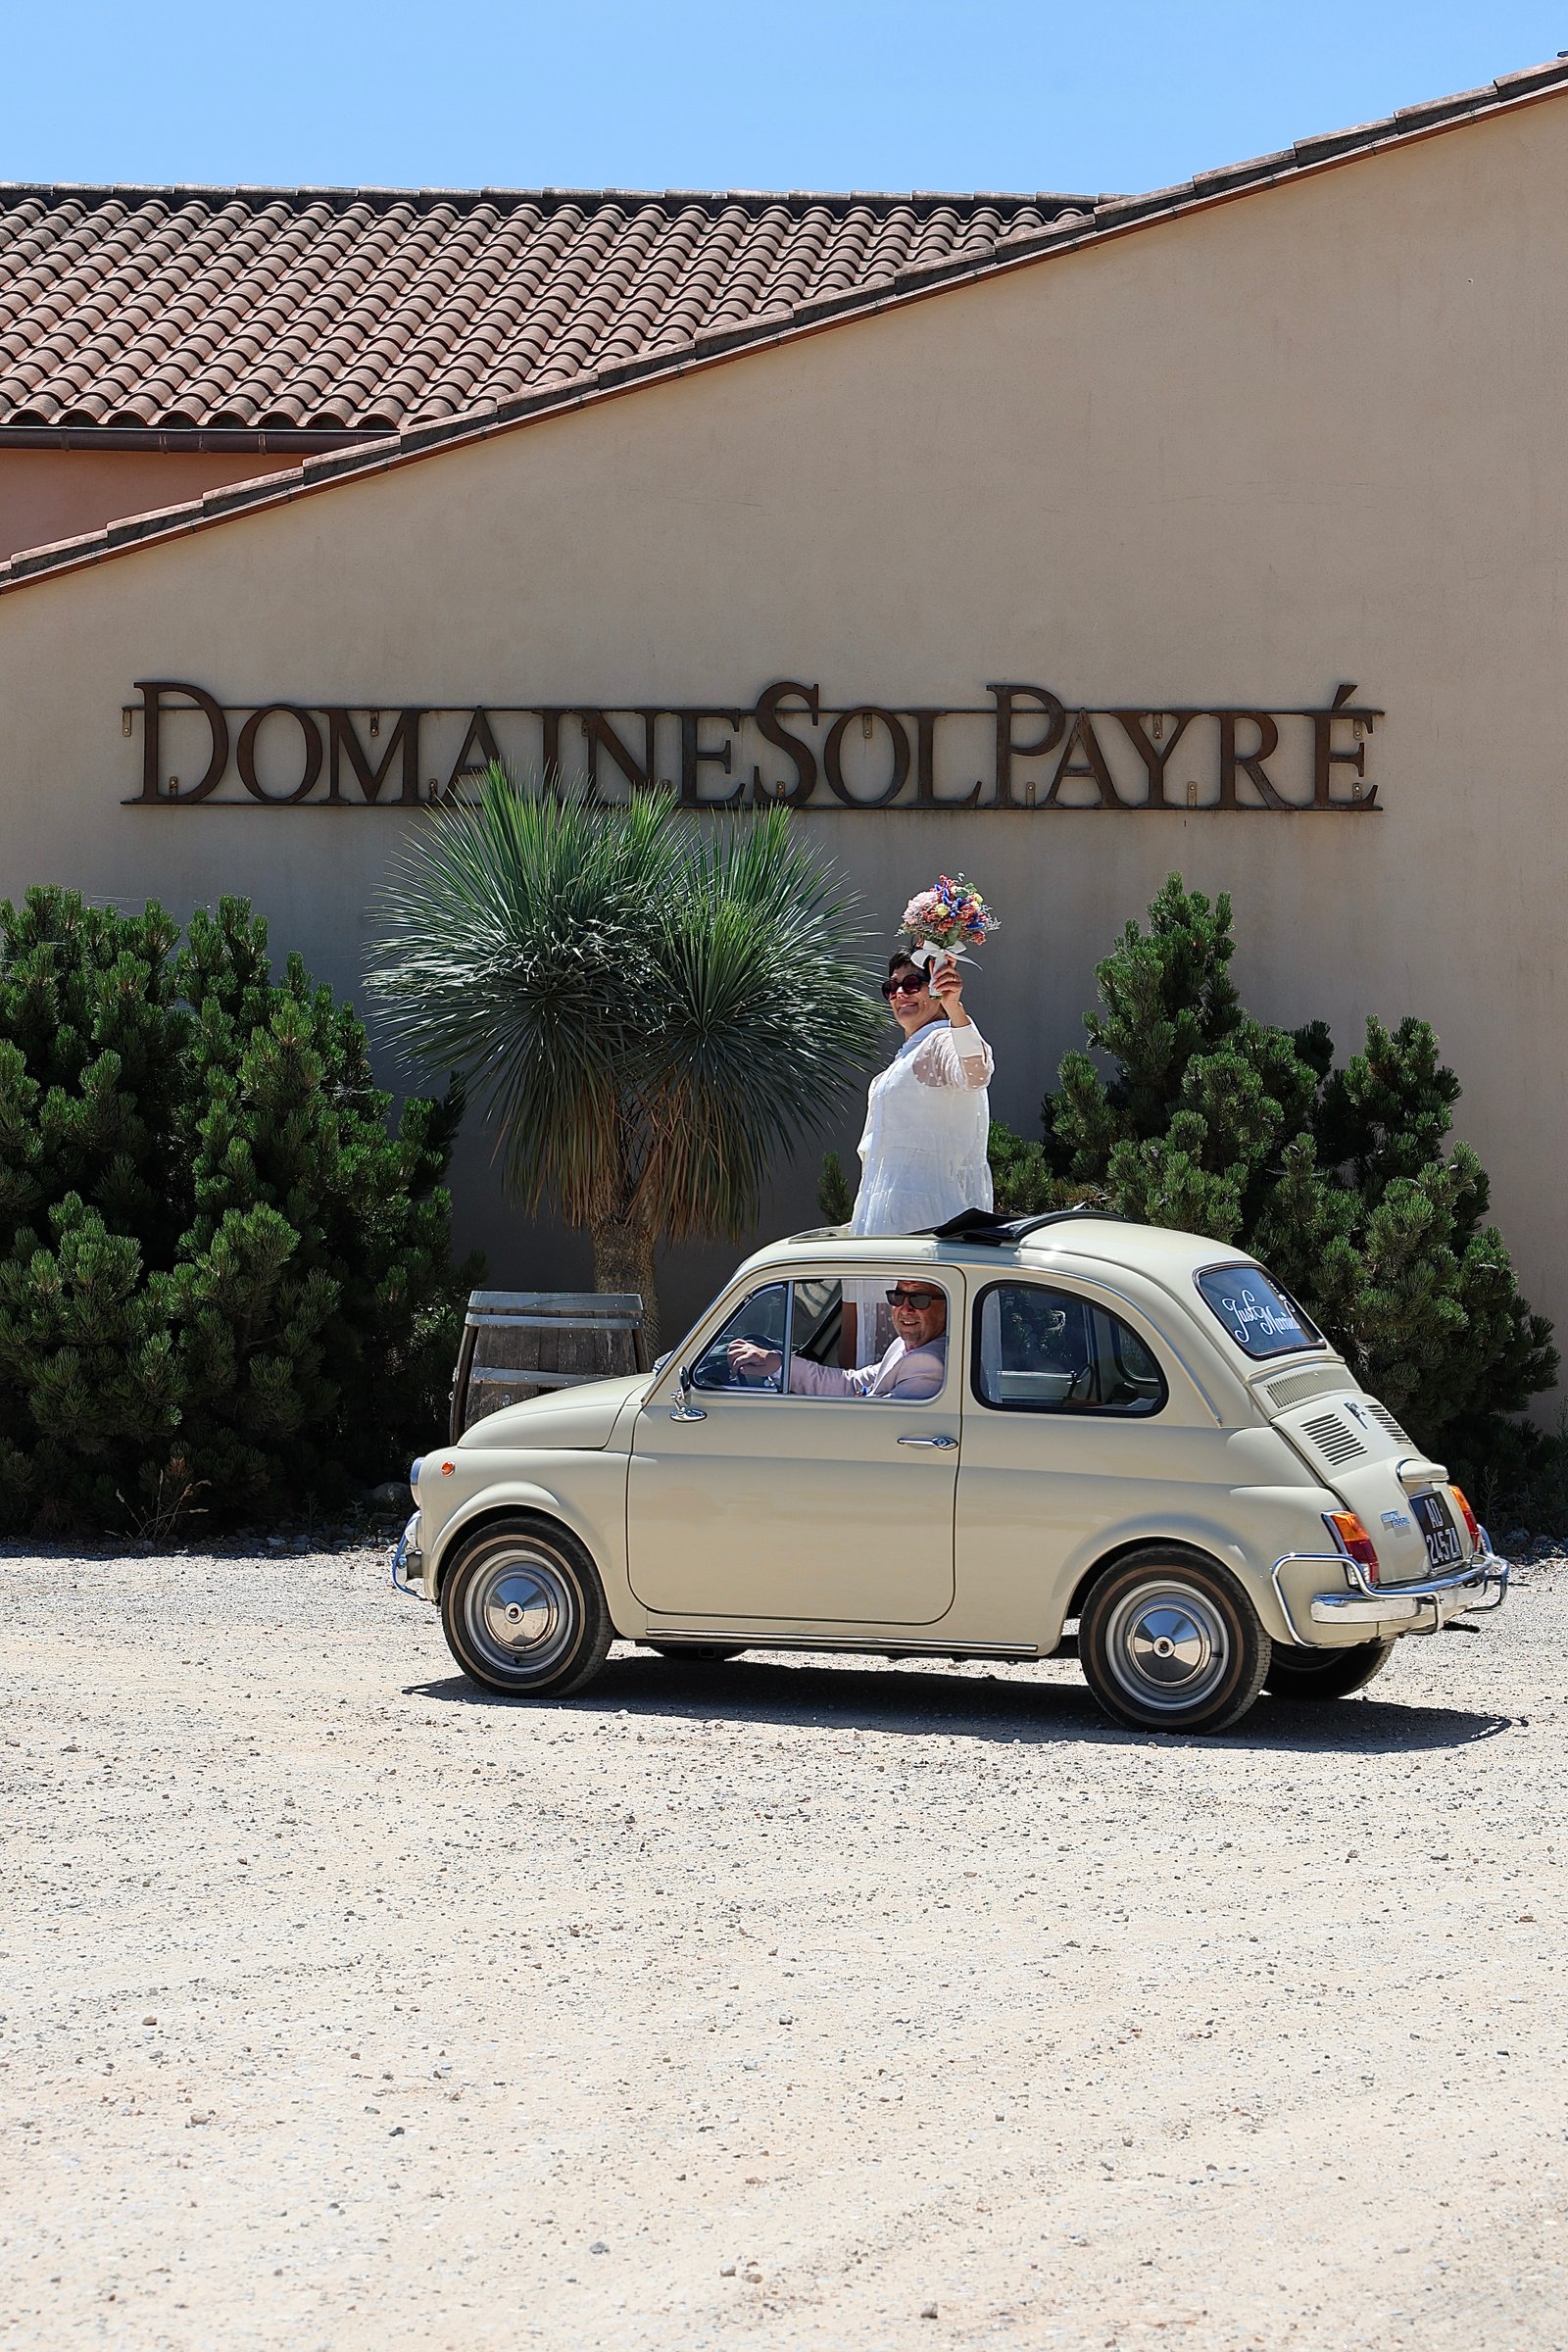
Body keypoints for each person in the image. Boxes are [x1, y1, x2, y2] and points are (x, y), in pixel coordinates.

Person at [842, 951, 993, 1362]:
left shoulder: (942, 1039)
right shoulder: (907, 1054)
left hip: (923, 1222)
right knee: (859, 1346)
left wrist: (954, 1007)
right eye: (891, 988)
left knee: (924, 1352)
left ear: (934, 989)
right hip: (880, 1218)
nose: (899, 995)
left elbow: (975, 1072)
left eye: (912, 984)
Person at [728, 1281, 948, 1400]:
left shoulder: (927, 1362)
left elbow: (880, 1423)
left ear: (947, 1304)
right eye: (898, 1297)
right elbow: (851, 1384)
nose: (905, 1309)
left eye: (919, 1298)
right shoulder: (907, 1345)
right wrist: (778, 1364)